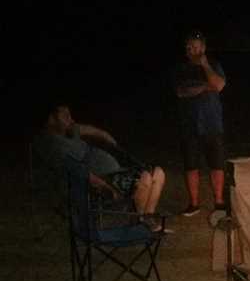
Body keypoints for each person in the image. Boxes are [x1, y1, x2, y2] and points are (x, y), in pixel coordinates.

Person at [34, 104, 167, 228]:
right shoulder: (52, 144)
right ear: (52, 119)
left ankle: (147, 219)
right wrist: (104, 187)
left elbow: (93, 131)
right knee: (144, 179)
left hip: (115, 174)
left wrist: (109, 140)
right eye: (66, 116)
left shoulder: (69, 131)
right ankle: (138, 223)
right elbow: (76, 170)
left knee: (158, 172)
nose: (71, 120)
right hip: (102, 180)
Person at [175, 30, 227, 216]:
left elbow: (219, 85)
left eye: (195, 47)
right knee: (191, 165)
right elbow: (182, 91)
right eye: (188, 47)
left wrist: (205, 66)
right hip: (189, 125)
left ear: (203, 48)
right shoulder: (182, 68)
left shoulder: (213, 65)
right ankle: (194, 204)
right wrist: (206, 86)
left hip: (212, 123)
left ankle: (219, 202)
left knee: (217, 164)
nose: (191, 51)